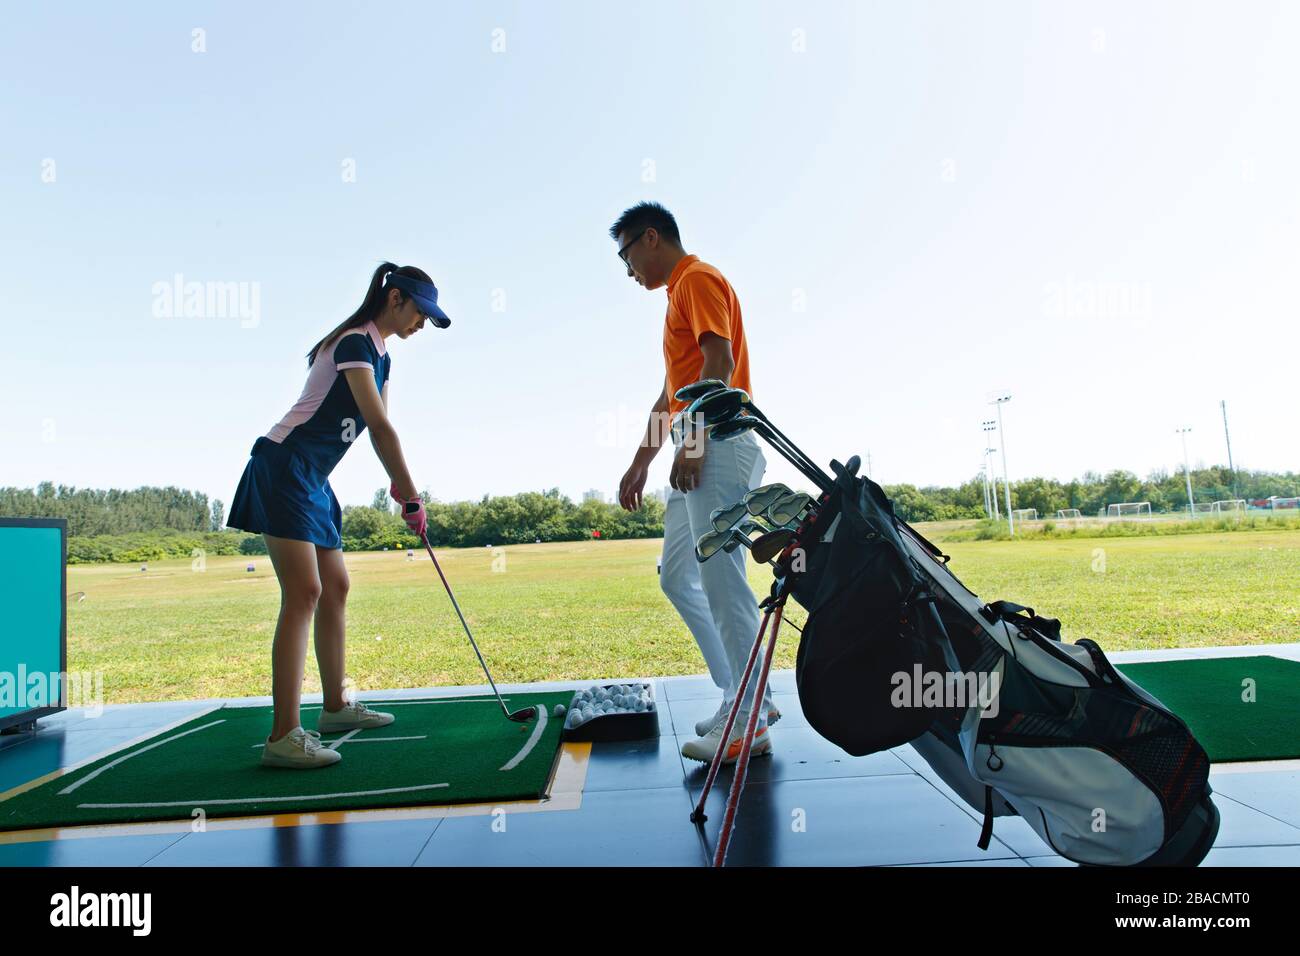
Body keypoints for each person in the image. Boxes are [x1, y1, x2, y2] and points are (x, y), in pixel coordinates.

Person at [226, 262, 449, 768]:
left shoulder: (382, 356)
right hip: (284, 464)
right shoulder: (353, 343)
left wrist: (399, 488)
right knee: (304, 592)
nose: (422, 323)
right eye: (420, 312)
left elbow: (381, 428)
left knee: (337, 586)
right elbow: (379, 427)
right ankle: (283, 735)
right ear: (395, 299)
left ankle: (334, 708)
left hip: (313, 477)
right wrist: (412, 495)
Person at [610, 202, 779, 764]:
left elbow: (720, 360)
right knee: (679, 576)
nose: (628, 268)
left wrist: (694, 441)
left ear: (650, 238)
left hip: (720, 444)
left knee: (721, 574)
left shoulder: (698, 279)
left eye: (626, 254)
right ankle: (739, 694)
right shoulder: (675, 299)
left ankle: (749, 712)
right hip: (697, 442)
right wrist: (640, 462)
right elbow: (669, 397)